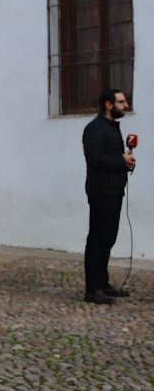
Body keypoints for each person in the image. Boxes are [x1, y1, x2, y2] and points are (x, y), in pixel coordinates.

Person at [82, 88, 135, 304]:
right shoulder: (95, 129)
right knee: (98, 239)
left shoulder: (111, 128)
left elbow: (110, 158)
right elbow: (94, 159)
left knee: (108, 239)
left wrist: (126, 162)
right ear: (108, 105)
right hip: (101, 191)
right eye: (121, 102)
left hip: (113, 190)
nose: (126, 105)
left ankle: (102, 283)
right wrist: (121, 161)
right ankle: (92, 289)